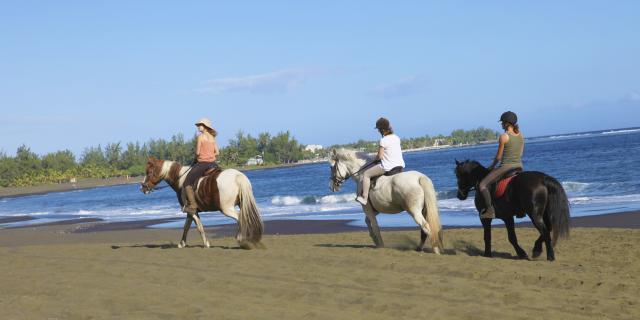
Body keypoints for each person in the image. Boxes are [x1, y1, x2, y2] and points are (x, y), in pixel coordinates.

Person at [478, 111, 524, 219]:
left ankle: (490, 211)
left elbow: (498, 157)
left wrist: (491, 167)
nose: (501, 124)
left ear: (507, 123)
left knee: (482, 185)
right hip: (519, 167)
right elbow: (521, 153)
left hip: (506, 167)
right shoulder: (521, 135)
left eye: (502, 122)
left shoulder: (504, 137)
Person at [355, 117, 406, 206]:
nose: (378, 131)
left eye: (378, 129)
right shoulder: (396, 137)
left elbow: (380, 156)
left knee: (366, 174)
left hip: (388, 167)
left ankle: (364, 198)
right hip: (400, 165)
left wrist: (375, 159)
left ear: (382, 129)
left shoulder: (383, 140)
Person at [183, 118, 220, 215]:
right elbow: (217, 152)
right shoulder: (212, 138)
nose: (198, 127)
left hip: (202, 164)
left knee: (187, 183)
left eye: (200, 125)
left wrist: (196, 158)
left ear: (205, 127)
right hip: (213, 164)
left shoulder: (200, 137)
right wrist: (211, 156)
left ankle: (193, 206)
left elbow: (198, 152)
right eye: (198, 125)